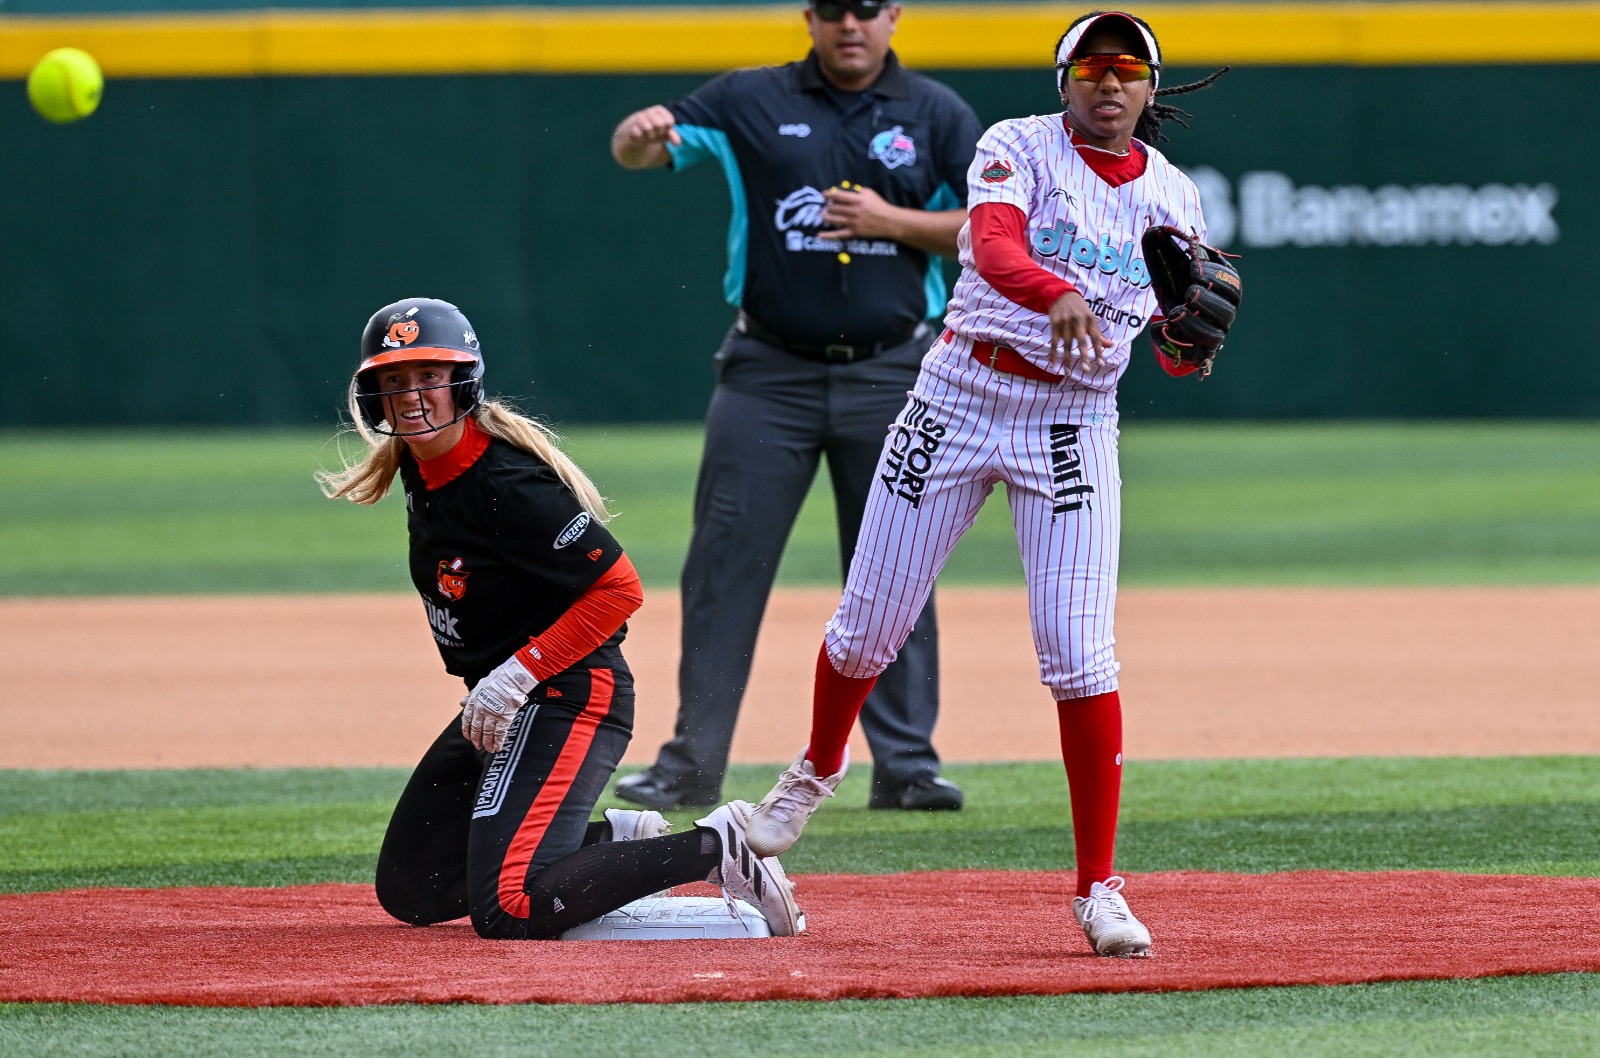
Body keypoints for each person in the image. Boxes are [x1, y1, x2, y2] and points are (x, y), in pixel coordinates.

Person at [738, 11, 1233, 957]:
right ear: (1064, 81)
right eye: (1092, 66)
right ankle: (815, 771)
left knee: (1080, 655)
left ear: (1150, 86)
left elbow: (1172, 345)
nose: (1110, 83)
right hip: (960, 394)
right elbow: (994, 247)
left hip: (1072, 420)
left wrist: (1188, 346)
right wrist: (1059, 293)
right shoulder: (1019, 145)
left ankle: (1098, 888)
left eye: (1129, 68)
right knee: (867, 625)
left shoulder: (1174, 196)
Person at [317, 297, 805, 939]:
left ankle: (720, 847)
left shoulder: (507, 483)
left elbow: (620, 588)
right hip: (505, 700)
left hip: (569, 694)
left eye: (429, 376)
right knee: (417, 884)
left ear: (463, 382)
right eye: (394, 379)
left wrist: (515, 677)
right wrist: (505, 686)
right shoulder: (421, 464)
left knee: (511, 907)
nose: (412, 396)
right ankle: (614, 841)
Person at [608, 0, 984, 813]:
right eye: (834, 8)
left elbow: (990, 229)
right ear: (810, 17)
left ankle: (907, 767)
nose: (851, 23)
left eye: (866, 8)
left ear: (893, 16)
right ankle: (691, 762)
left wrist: (890, 221)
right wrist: (637, 138)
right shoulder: (751, 97)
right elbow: (645, 147)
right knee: (723, 567)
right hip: (767, 375)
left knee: (898, 567)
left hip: (896, 373)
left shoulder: (936, 113)